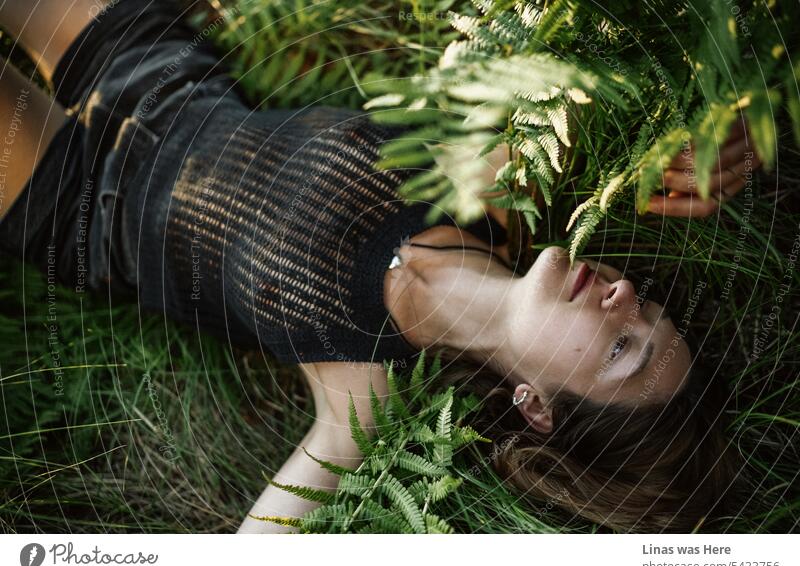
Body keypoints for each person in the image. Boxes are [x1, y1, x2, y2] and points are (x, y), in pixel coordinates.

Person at [0, 0, 757, 533]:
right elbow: (592, 54)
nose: (623, 296)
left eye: (624, 348)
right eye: (647, 306)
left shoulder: (362, 400)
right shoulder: (495, 188)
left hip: (72, 201)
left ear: (537, 407)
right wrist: (714, 121)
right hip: (154, 60)